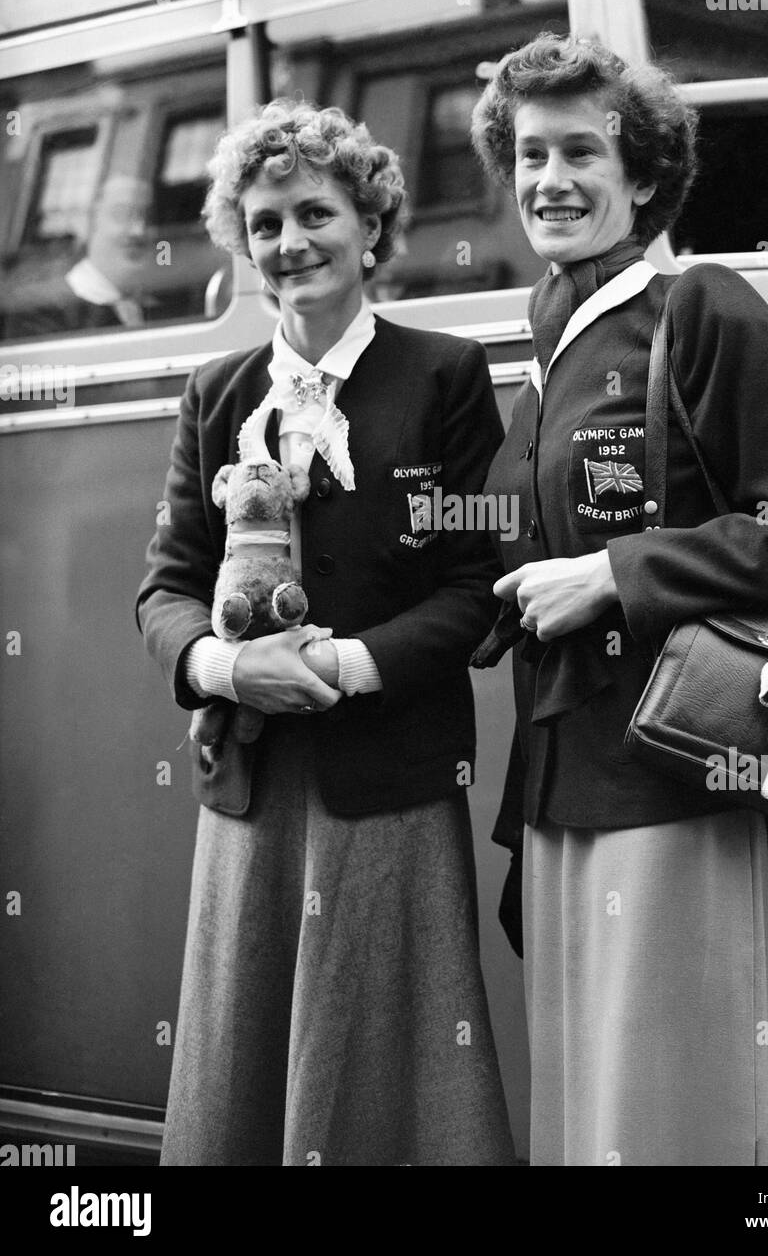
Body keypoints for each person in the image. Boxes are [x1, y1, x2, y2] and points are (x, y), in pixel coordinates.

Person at [470, 33, 768, 1167]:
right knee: (586, 1120)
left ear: (643, 176)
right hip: (558, 786)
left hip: (681, 774)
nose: (549, 178)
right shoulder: (552, 335)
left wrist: (612, 576)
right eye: (530, 153)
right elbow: (504, 561)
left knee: (670, 1120)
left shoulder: (701, 307)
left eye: (582, 152)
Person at [136, 99, 515, 1167]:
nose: (290, 242)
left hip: (388, 777)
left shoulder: (445, 375)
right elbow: (163, 588)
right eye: (264, 223)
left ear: (372, 225)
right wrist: (226, 667)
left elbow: (476, 584)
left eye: (315, 213)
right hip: (250, 788)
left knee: (390, 1072)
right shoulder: (215, 394)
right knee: (241, 1070)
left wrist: (343, 666)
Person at [16, 176, 159, 336]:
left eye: (149, 218)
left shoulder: (163, 307)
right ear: (90, 222)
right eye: (122, 215)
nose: (138, 230)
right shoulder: (40, 308)